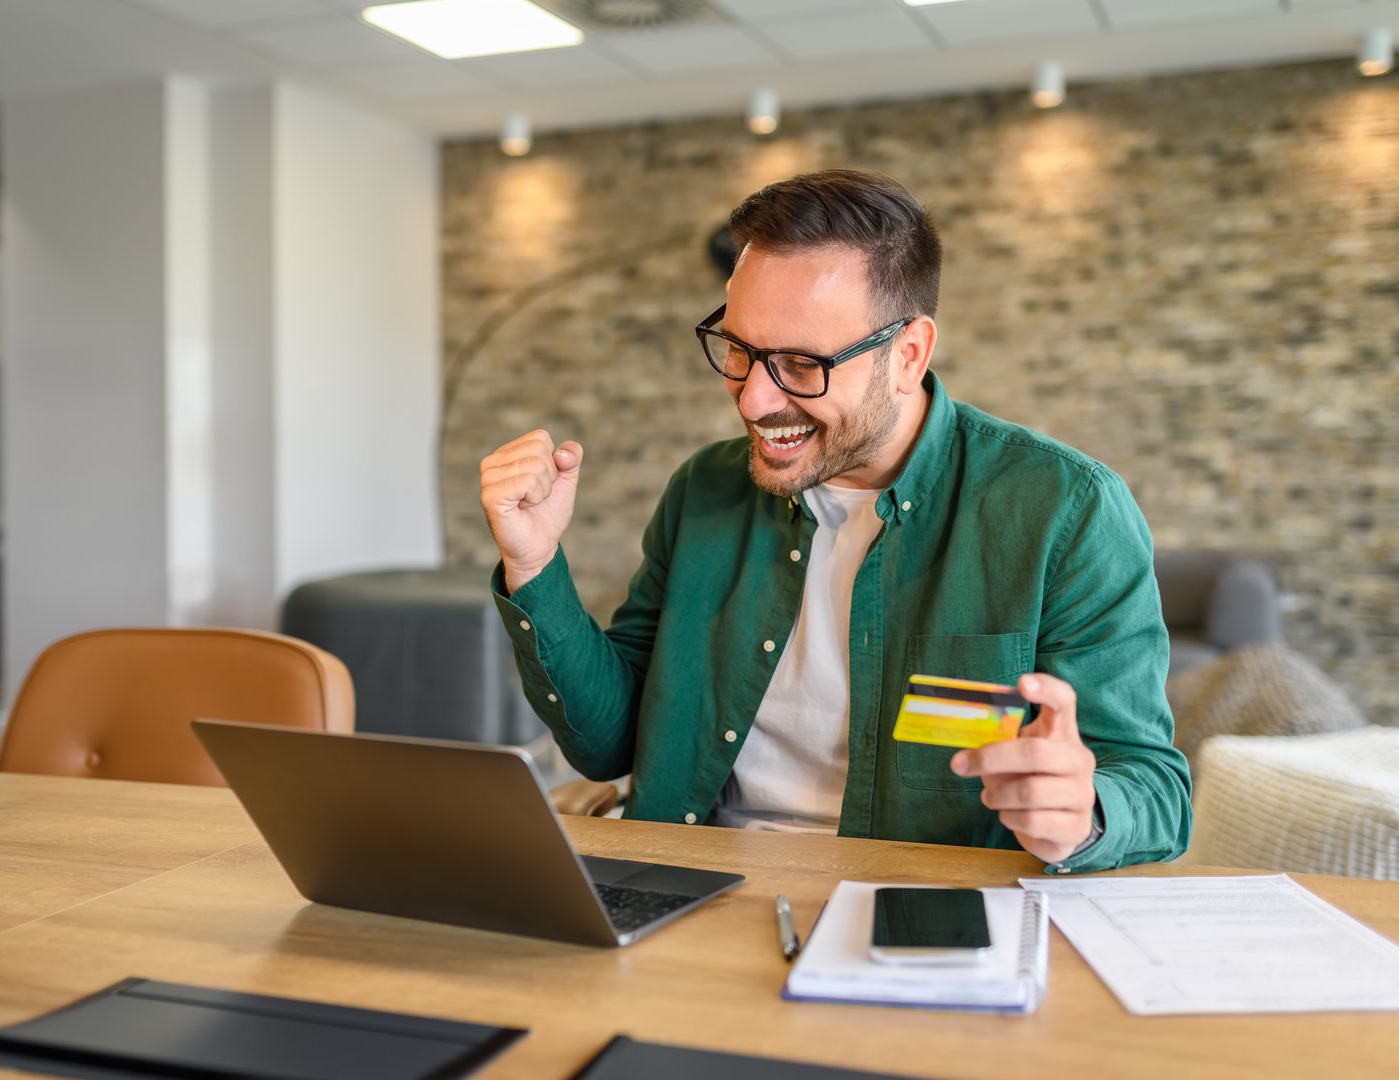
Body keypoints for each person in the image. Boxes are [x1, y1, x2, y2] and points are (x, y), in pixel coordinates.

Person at [478, 169, 1190, 872]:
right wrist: (535, 565)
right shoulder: (705, 489)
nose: (755, 399)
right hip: (688, 887)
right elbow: (611, 744)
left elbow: (1158, 792)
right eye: (738, 348)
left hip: (912, 912)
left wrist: (1084, 811)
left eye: (800, 364)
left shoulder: (1064, 510)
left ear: (907, 355)